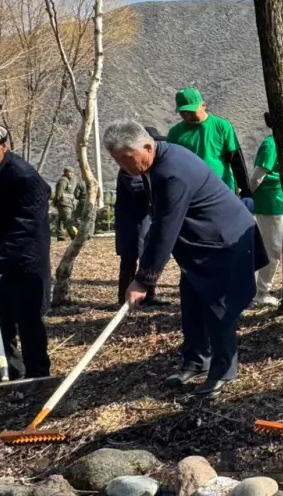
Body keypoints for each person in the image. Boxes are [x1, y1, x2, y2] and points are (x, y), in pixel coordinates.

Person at [106, 121, 265, 398]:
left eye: (127, 159)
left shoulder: (171, 173)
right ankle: (195, 361)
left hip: (223, 241)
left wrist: (143, 280)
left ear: (146, 146)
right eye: (118, 161)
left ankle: (223, 371)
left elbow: (165, 229)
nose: (125, 166)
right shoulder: (155, 160)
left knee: (218, 309)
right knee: (191, 304)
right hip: (198, 245)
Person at [0, 112, 51, 382]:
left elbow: (26, 225)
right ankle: (9, 367)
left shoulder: (25, 178)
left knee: (28, 317)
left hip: (26, 257)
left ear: (4, 144)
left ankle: (37, 373)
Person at [115, 126, 168, 307]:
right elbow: (138, 190)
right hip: (132, 222)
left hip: (146, 219)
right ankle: (125, 300)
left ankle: (149, 295)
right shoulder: (130, 169)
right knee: (129, 260)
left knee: (148, 256)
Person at [168, 87, 252, 198]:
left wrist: (245, 190)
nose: (187, 116)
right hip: (192, 193)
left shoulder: (222, 126)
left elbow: (236, 160)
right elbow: (170, 164)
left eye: (191, 111)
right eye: (183, 113)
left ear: (203, 105)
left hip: (222, 190)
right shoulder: (175, 133)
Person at [249, 113, 283, 308]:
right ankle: (262, 292)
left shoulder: (282, 142)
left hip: (281, 202)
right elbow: (257, 177)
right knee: (274, 250)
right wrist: (247, 196)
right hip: (270, 204)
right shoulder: (271, 145)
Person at [53, 167, 77, 240]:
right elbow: (59, 193)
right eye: (69, 172)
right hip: (63, 204)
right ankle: (74, 237)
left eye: (72, 172)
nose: (70, 173)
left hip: (68, 203)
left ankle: (60, 236)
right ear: (65, 172)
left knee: (60, 220)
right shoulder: (63, 181)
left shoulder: (70, 181)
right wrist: (56, 201)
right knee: (67, 221)